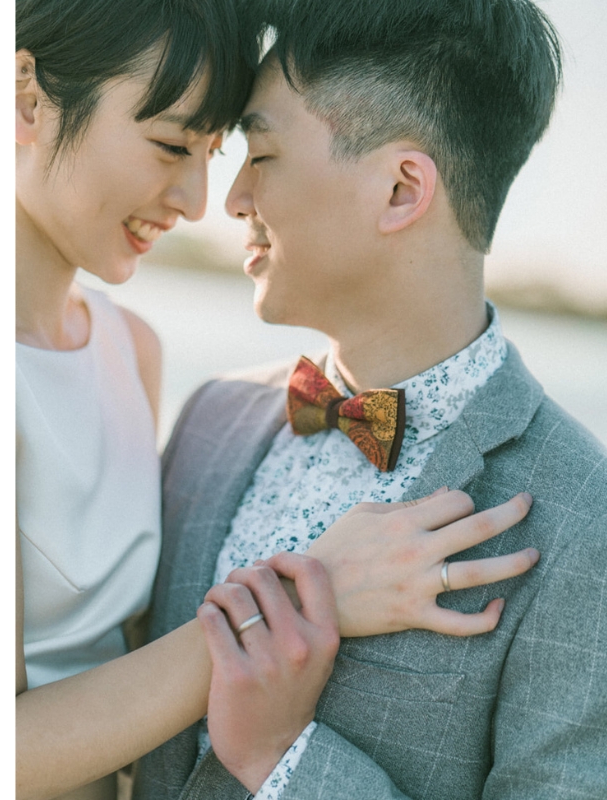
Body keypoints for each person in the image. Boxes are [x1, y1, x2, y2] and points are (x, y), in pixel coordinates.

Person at [15, 2, 539, 798]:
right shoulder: (213, 416)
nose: (207, 201)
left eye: (238, 153)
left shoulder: (137, 357)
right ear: (27, 101)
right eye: (170, 145)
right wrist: (306, 595)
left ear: (403, 189)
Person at [137, 0, 607, 797]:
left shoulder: (581, 513)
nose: (233, 200)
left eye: (264, 153)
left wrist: (284, 759)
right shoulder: (209, 419)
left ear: (399, 189)